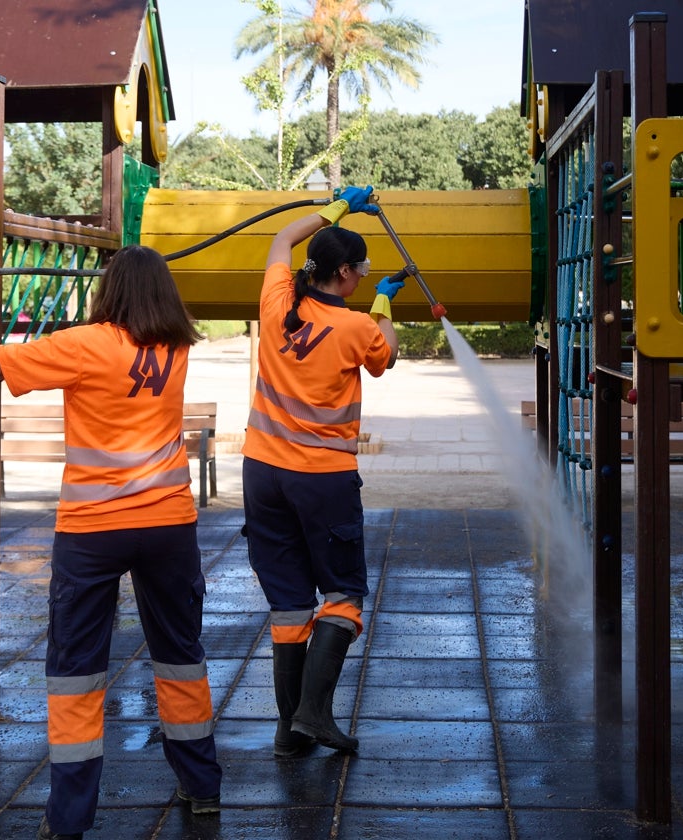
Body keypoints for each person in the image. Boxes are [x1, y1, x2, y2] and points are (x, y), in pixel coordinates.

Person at [0, 244, 222, 840]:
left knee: (76, 671)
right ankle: (201, 786)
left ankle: (69, 821)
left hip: (95, 531)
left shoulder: (87, 343)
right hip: (168, 526)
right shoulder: (175, 348)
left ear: (112, 290)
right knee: (180, 655)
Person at [241, 185, 402, 757]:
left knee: (288, 603)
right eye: (360, 271)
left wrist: (337, 209)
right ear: (343, 271)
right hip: (322, 478)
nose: (363, 278)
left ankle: (290, 733)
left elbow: (283, 236)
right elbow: (387, 355)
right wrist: (384, 303)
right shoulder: (358, 327)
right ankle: (313, 714)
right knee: (343, 595)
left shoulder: (277, 299)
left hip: (262, 473)